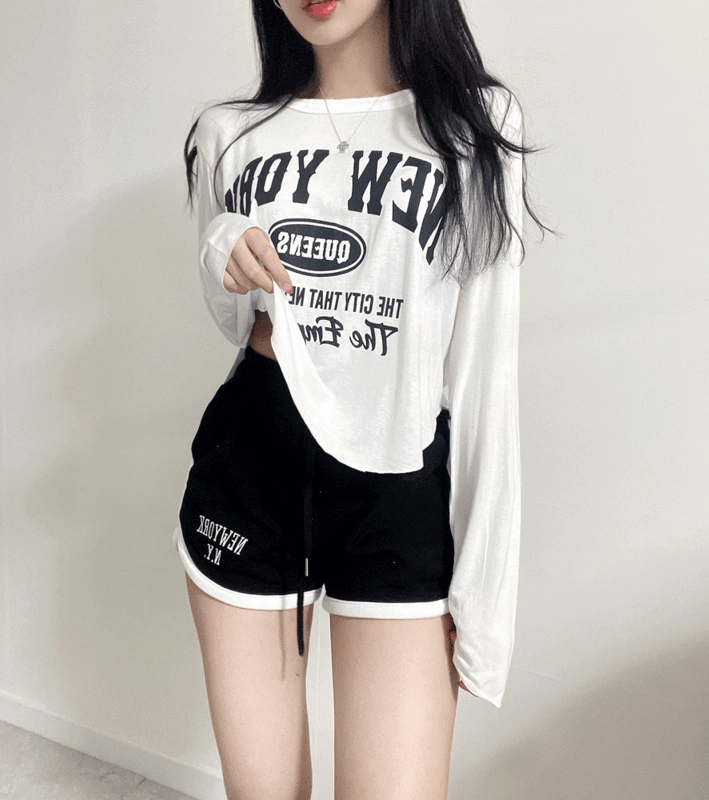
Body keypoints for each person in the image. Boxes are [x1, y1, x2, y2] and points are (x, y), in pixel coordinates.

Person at [171, 0, 550, 797]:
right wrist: (220, 244)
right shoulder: (231, 133)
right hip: (250, 474)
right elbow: (231, 316)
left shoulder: (473, 127)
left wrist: (484, 605)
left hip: (397, 486)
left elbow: (483, 375)